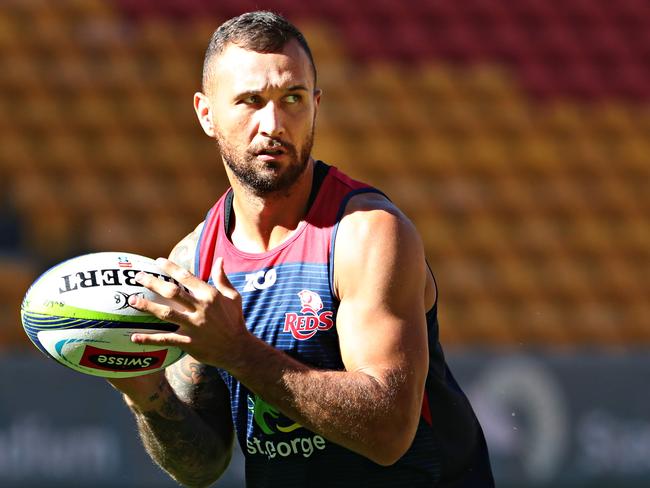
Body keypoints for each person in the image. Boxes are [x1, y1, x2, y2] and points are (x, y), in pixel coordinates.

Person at [109, 11, 494, 488]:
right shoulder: (197, 259)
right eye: (250, 101)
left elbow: (388, 433)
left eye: (291, 99)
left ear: (315, 104)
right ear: (206, 114)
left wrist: (239, 352)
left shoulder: (367, 233)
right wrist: (144, 393)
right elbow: (203, 464)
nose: (273, 124)